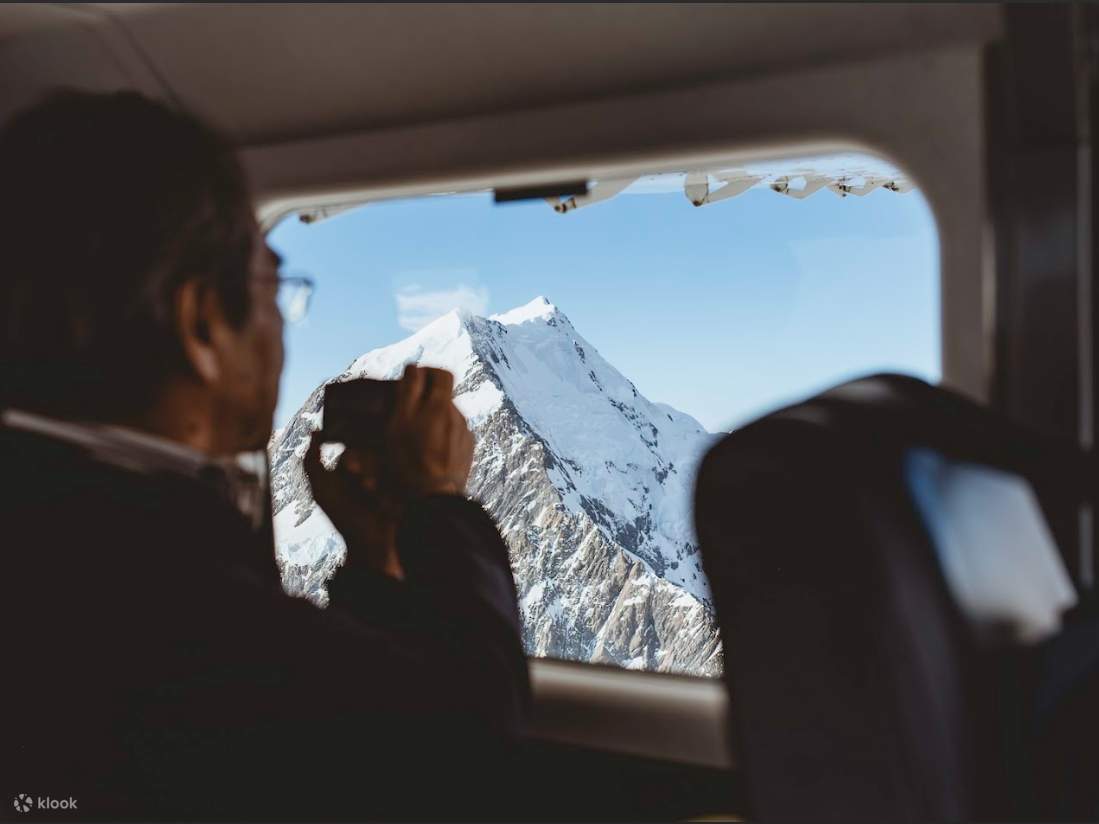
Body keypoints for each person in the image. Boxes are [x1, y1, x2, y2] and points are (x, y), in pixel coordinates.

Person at [0, 90, 529, 821]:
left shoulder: (50, 518)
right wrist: (441, 504)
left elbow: (310, 704)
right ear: (202, 322)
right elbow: (460, 749)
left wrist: (375, 558)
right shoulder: (147, 580)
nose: (282, 327)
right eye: (272, 286)